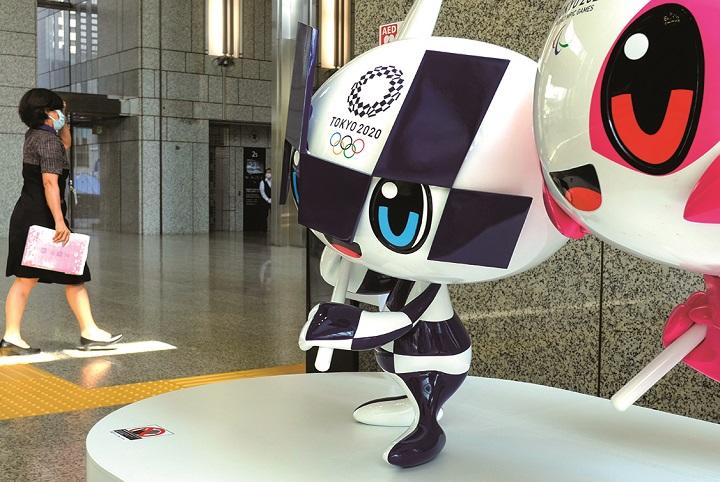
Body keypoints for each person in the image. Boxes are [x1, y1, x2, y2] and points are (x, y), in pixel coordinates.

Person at [1, 88, 122, 355]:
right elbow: (49, 183)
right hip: (42, 218)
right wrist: (59, 221)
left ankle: (13, 336)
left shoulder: (35, 135)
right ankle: (88, 332)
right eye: (58, 110)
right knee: (71, 276)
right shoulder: (48, 141)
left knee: (32, 279)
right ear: (47, 112)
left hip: (28, 216)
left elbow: (65, 144)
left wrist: (63, 120)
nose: (61, 115)